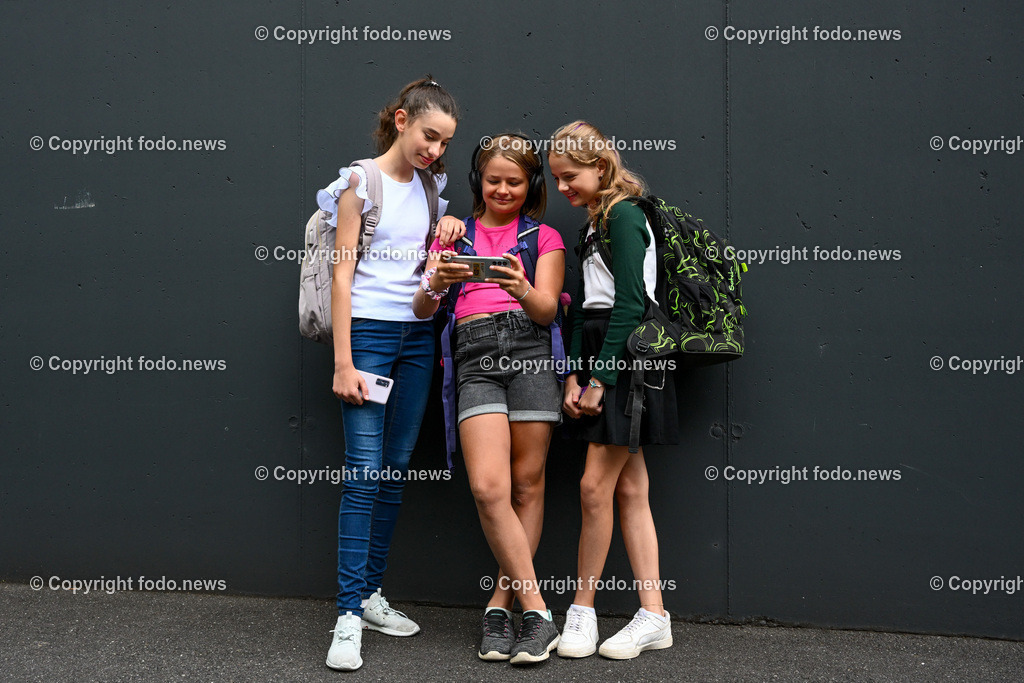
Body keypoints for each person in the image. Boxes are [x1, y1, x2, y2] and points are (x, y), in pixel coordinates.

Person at [317, 76, 462, 672]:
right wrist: (344, 362)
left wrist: (446, 241)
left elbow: (424, 281)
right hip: (369, 341)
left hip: (418, 340)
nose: (435, 150)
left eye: (445, 142)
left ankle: (372, 594)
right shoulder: (359, 182)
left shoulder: (434, 189)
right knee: (364, 472)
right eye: (430, 135)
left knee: (395, 470)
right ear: (402, 121)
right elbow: (342, 277)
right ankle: (348, 613)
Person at [413, 134, 566, 664]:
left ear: (531, 186)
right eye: (494, 180)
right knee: (488, 487)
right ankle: (540, 611)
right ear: (479, 181)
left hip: (529, 350)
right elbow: (420, 309)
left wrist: (521, 287)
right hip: (474, 353)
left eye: (515, 182)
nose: (503, 190)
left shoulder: (543, 237)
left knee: (527, 486)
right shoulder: (452, 233)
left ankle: (501, 608)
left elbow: (547, 311)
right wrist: (438, 277)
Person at [547, 121, 678, 660]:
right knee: (629, 490)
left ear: (600, 167)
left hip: (628, 360)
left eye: (569, 176)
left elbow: (629, 303)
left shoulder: (624, 215)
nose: (562, 189)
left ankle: (582, 612)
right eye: (556, 179)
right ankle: (654, 615)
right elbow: (584, 307)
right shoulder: (595, 222)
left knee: (594, 489)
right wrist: (575, 373)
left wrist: (601, 378)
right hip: (605, 352)